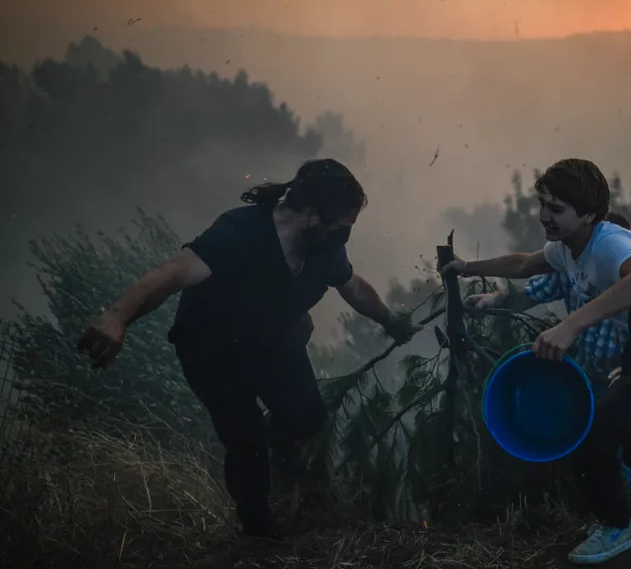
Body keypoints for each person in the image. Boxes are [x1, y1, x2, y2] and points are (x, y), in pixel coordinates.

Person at [77, 159, 422, 539]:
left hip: (274, 342)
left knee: (306, 416)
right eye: (340, 229)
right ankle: (258, 533)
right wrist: (116, 317)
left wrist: (390, 321)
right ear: (309, 213)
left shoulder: (323, 247)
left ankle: (270, 459)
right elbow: (171, 274)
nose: (343, 239)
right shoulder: (240, 233)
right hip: (213, 349)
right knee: (246, 440)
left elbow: (351, 285)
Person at [442, 158, 631, 564]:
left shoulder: (608, 243)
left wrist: (570, 326)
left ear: (588, 213)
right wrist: (466, 267)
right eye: (542, 205)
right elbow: (523, 263)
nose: (544, 217)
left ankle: (614, 527)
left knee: (593, 430)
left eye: (556, 209)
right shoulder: (565, 248)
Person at [466, 211, 631, 526]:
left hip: (623, 380)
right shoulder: (576, 268)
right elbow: (529, 293)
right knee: (586, 454)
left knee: (620, 459)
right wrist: (494, 300)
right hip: (587, 377)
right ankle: (599, 518)